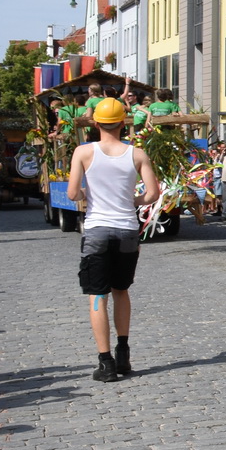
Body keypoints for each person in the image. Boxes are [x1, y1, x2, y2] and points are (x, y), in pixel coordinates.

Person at [67, 98, 158, 382]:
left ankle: (105, 363)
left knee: (98, 296)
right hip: (126, 230)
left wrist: (86, 194)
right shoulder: (137, 154)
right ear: (122, 123)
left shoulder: (84, 152)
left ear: (95, 123)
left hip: (97, 229)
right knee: (121, 290)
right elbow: (153, 194)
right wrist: (133, 200)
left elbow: (73, 193)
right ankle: (123, 353)